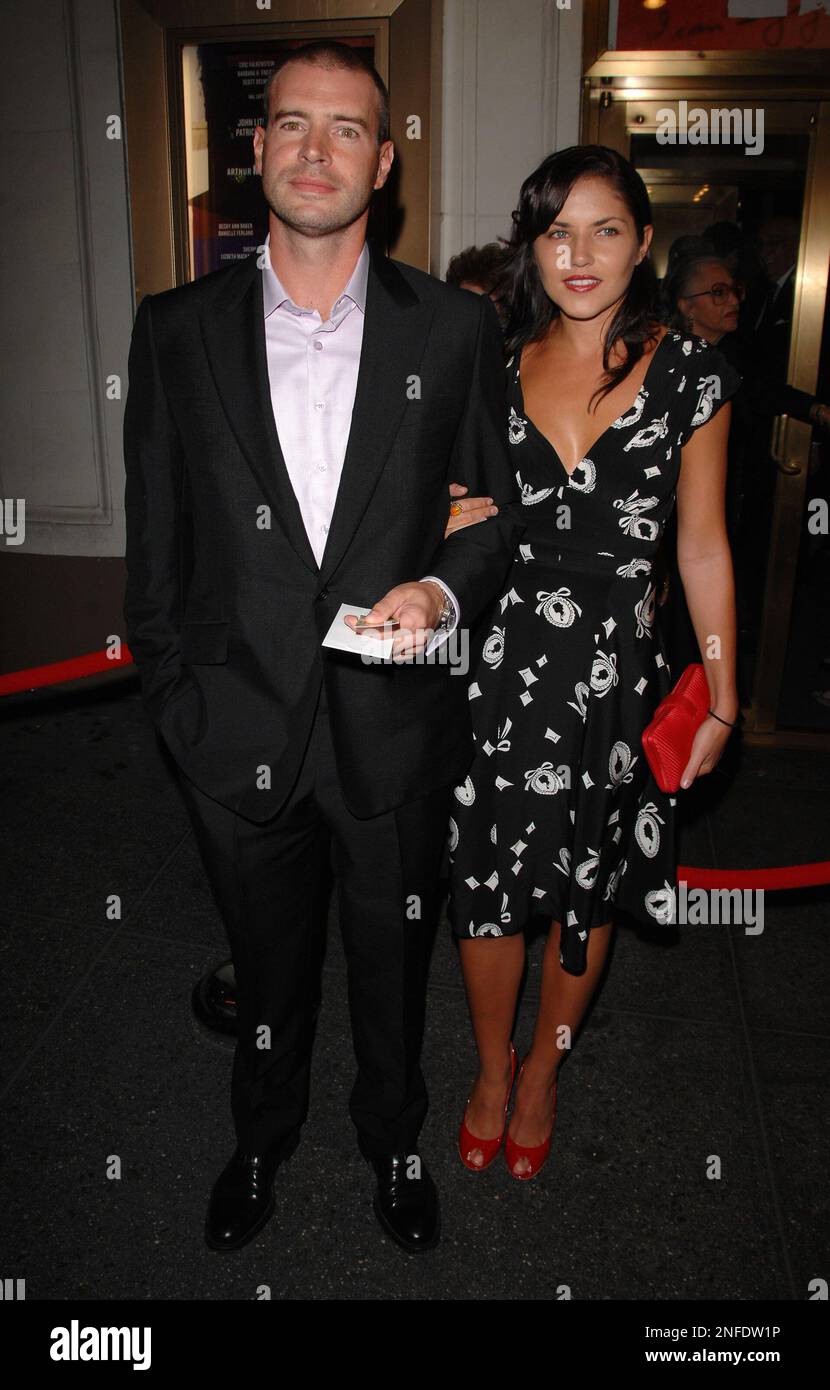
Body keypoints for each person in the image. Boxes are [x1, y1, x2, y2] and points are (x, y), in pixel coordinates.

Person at [123, 40, 522, 1253]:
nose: (313, 148)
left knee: (392, 965)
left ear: (384, 160)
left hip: (392, 729)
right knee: (266, 967)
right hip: (234, 724)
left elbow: (491, 514)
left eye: (345, 127)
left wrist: (443, 600)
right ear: (254, 153)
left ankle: (393, 1141)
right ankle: (259, 1140)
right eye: (289, 124)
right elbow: (155, 546)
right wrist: (179, 706)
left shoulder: (452, 329)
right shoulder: (176, 329)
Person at [447, 145, 742, 1180]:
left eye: (604, 229)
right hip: (493, 664)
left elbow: (700, 543)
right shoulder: (489, 359)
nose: (578, 254)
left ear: (641, 243)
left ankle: (541, 1075)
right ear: (531, 242)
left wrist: (720, 693)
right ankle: (490, 1066)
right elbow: (452, 511)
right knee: (483, 884)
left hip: (615, 675)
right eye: (555, 230)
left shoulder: (691, 374)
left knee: (589, 887)